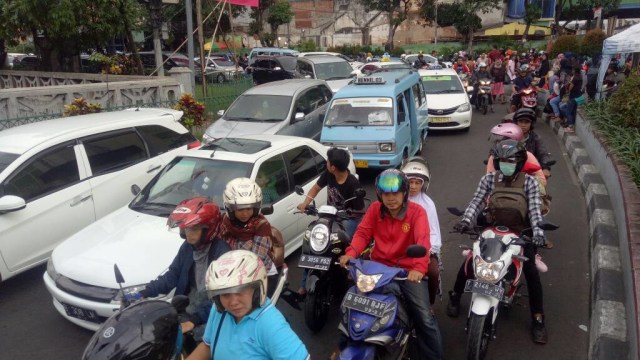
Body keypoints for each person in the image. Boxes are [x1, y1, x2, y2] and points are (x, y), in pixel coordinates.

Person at [447, 139, 549, 344]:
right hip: (492, 229)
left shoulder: (529, 182)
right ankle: (456, 296)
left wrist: (538, 233)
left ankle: (538, 318)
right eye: (502, 161)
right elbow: (476, 201)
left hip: (521, 232)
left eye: (511, 160)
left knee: (531, 275)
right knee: (470, 264)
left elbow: (535, 212)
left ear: (520, 162)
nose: (506, 164)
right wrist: (466, 220)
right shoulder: (489, 179)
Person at [339, 169, 444, 359]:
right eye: (386, 194)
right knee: (352, 303)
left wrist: (419, 268)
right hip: (376, 268)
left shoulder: (417, 212)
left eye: (395, 193)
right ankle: (343, 345)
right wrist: (351, 253)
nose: (391, 198)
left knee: (425, 319)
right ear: (380, 194)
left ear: (404, 193)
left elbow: (422, 242)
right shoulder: (374, 210)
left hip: (405, 271)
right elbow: (363, 233)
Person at [135, 197, 230, 341]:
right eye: (186, 229)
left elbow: (224, 297)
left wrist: (195, 320)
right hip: (189, 305)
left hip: (213, 311)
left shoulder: (222, 253)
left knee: (199, 343)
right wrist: (145, 291)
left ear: (208, 230)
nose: (188, 234)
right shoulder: (188, 248)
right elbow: (172, 275)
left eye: (194, 229)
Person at [186, 250, 310, 360]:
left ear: (256, 290)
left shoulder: (271, 324)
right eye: (225, 295)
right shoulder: (219, 310)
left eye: (240, 291)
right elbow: (207, 346)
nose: (233, 302)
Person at [296, 147, 364, 295]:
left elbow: (359, 210)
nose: (326, 163)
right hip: (329, 216)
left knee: (348, 243)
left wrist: (348, 212)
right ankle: (304, 282)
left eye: (328, 161)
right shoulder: (328, 174)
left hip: (348, 219)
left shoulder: (353, 184)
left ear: (333, 166)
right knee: (312, 242)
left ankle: (349, 271)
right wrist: (305, 204)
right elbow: (315, 188)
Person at [220, 178, 284, 297]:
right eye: (240, 209)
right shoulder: (225, 222)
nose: (245, 213)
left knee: (256, 307)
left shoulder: (261, 225)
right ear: (230, 209)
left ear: (255, 208)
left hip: (260, 273)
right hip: (231, 271)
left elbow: (256, 258)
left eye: (249, 209)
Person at [401, 157, 442, 307]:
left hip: (421, 249)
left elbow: (433, 232)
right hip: (396, 246)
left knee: (433, 272)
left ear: (423, 184)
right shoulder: (395, 199)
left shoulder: (428, 204)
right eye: (410, 182)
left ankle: (429, 304)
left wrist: (428, 251)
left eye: (417, 183)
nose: (413, 186)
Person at [559, 67, 583, 133]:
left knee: (568, 110)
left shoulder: (575, 78)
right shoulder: (580, 77)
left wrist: (568, 91)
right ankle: (571, 124)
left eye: (573, 70)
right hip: (578, 96)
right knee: (573, 111)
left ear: (575, 71)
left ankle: (570, 126)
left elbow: (571, 86)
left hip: (573, 96)